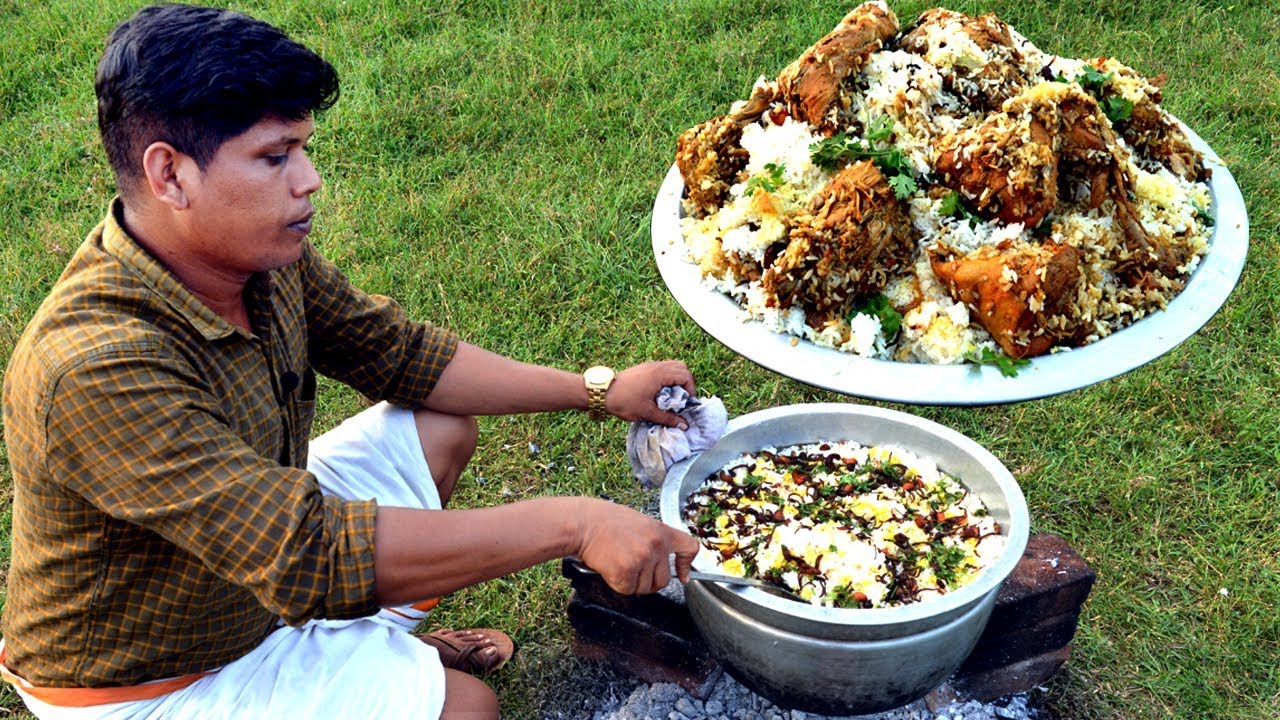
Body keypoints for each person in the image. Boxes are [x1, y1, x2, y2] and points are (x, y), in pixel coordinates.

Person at [0, 4, 701, 719]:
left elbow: (401, 355)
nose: (309, 179)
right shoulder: (92, 368)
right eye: (275, 156)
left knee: (441, 427)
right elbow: (309, 552)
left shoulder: (255, 256)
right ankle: (346, 662)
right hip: (152, 676)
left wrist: (599, 390)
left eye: (302, 148)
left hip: (257, 566)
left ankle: (357, 654)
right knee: (470, 711)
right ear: (170, 174)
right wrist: (575, 524)